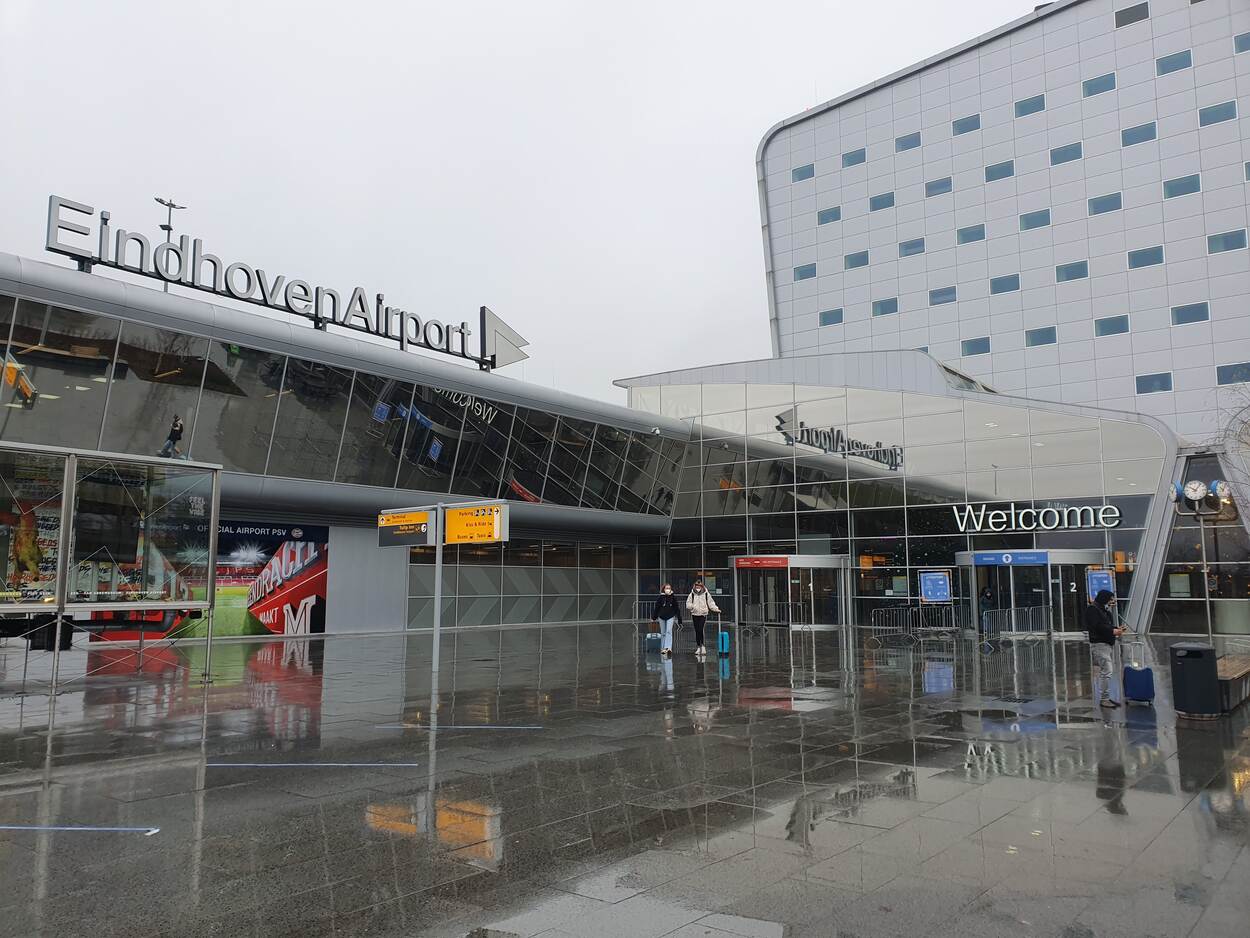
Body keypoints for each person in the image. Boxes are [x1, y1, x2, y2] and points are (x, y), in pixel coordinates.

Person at [1083, 589, 1125, 707]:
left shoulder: (1103, 610)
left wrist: (1116, 628)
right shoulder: (1093, 609)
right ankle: (1104, 698)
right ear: (1104, 598)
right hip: (1099, 644)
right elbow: (1097, 626)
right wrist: (1113, 631)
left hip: (1106, 644)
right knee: (1107, 671)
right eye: (1110, 599)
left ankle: (1106, 697)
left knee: (1107, 670)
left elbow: (1105, 625)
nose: (1112, 601)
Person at [685, 579, 721, 658]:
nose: (698, 588)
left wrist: (716, 609)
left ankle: (703, 646)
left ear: (702, 587)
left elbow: (711, 602)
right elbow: (688, 603)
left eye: (699, 586)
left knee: (700, 629)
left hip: (703, 614)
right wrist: (692, 607)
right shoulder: (692, 594)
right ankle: (698, 647)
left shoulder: (706, 594)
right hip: (694, 614)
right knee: (697, 630)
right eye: (697, 586)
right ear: (695, 586)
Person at [653, 583, 682, 659]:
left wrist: (679, 619)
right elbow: (657, 607)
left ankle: (668, 648)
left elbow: (676, 608)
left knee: (669, 631)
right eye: (666, 588)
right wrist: (654, 617)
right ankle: (663, 648)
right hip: (661, 617)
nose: (668, 589)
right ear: (664, 589)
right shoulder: (660, 597)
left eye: (669, 588)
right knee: (663, 633)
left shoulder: (673, 597)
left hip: (670, 616)